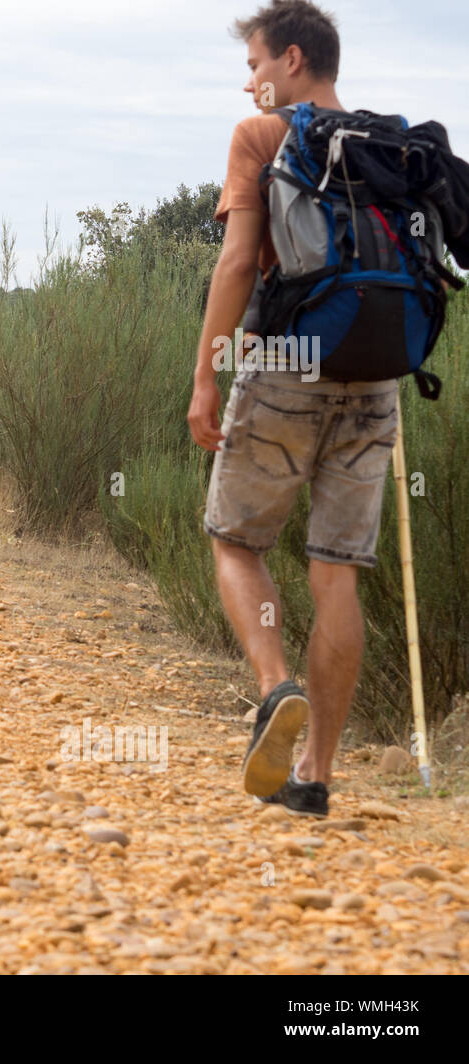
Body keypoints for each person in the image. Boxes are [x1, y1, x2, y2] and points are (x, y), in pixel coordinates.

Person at [188, 0, 396, 818]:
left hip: (284, 363)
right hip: (376, 376)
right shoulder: (390, 139)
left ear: (296, 61)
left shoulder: (263, 137)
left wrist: (209, 372)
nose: (249, 85)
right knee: (336, 572)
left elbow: (239, 263)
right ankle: (315, 778)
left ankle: (275, 691)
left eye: (256, 66)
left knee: (235, 542)